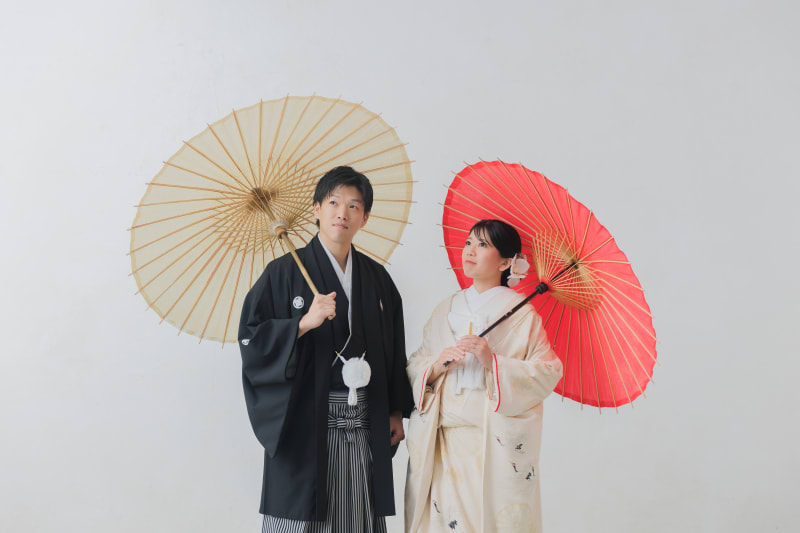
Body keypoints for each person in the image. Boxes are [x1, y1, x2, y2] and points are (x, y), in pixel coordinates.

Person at [238, 166, 414, 532]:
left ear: (365, 217)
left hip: (364, 420)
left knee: (357, 516)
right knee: (301, 516)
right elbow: (252, 340)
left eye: (354, 206)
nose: (342, 213)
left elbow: (393, 347)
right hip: (306, 420)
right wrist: (302, 324)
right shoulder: (282, 273)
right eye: (333, 202)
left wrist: (395, 410)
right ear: (316, 208)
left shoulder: (377, 278)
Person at [405, 219, 564, 533]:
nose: (470, 251)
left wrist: (493, 362)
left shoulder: (521, 313)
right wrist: (436, 365)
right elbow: (416, 364)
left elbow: (547, 371)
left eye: (482, 245)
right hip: (444, 440)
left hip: (490, 442)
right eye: (468, 243)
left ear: (505, 262)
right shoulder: (445, 309)